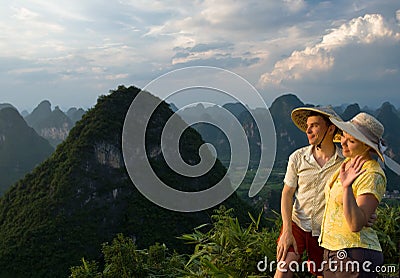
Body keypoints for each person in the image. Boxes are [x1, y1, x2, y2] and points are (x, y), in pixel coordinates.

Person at [275, 106, 344, 277]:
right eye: (307, 125)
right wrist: (286, 231)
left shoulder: (344, 162)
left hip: (326, 231)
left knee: (322, 274)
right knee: (283, 268)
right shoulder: (297, 157)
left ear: (330, 128)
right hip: (297, 224)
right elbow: (287, 193)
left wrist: (366, 213)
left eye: (314, 125)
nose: (308, 130)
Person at [319, 112, 387, 277]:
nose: (343, 142)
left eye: (352, 141)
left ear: (367, 146)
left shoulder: (371, 173)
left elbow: (356, 224)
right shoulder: (346, 164)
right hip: (332, 250)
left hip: (354, 253)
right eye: (343, 136)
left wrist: (347, 187)